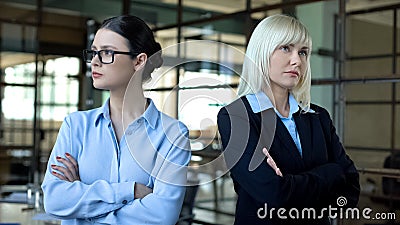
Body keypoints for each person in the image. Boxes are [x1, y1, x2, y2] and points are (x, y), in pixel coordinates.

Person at [41, 15, 191, 225]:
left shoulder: (173, 134)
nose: (94, 61)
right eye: (94, 52)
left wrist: (82, 200)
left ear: (139, 61)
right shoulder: (76, 125)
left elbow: (162, 216)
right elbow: (55, 201)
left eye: (107, 53)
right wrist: (131, 191)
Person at [217, 14, 360, 225]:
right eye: (286, 48)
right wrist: (331, 173)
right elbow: (274, 195)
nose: (297, 60)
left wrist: (290, 183)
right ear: (262, 51)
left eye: (303, 52)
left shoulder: (318, 117)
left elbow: (350, 195)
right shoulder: (236, 117)